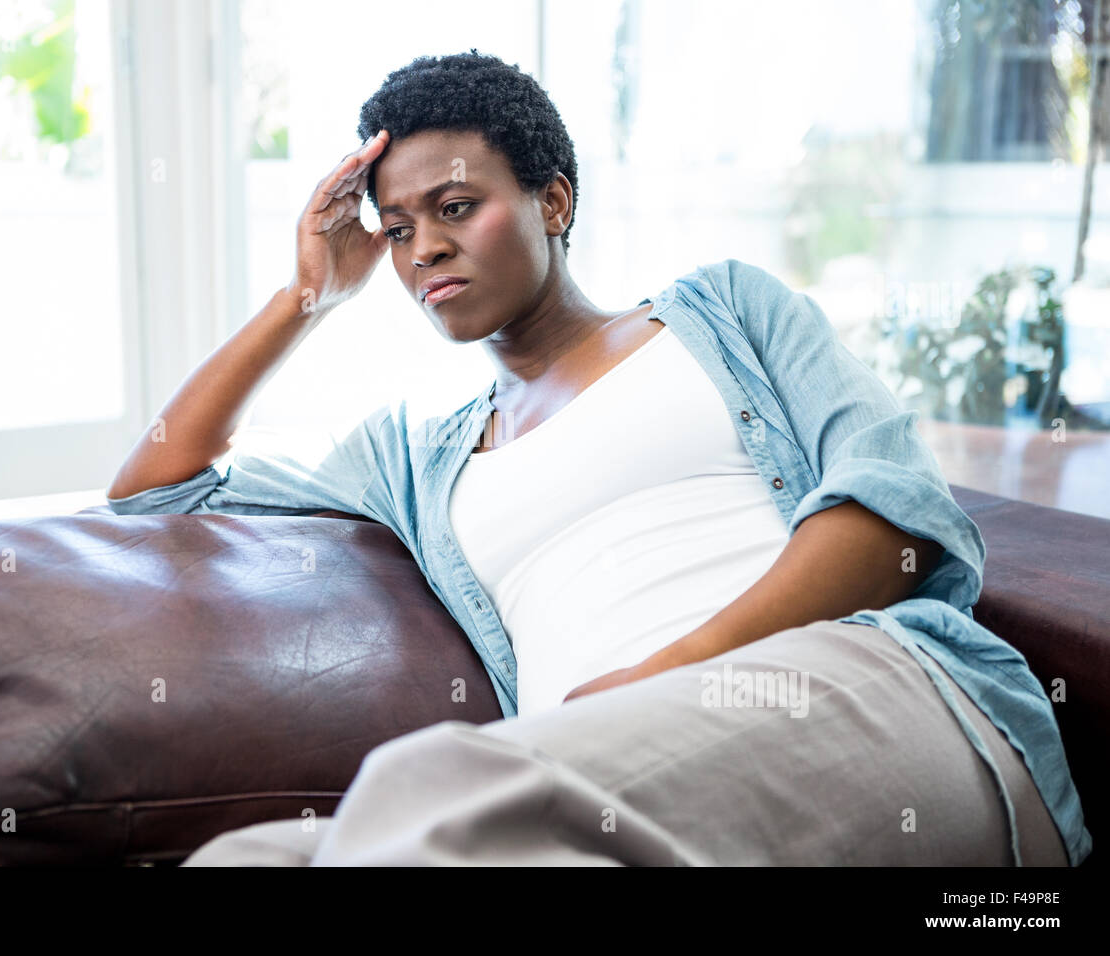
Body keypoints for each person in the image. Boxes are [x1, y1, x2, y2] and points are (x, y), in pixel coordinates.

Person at [106, 51, 1091, 866]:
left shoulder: (727, 310)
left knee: (438, 789)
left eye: (454, 207)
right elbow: (158, 490)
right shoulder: (412, 456)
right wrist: (305, 295)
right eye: (398, 229)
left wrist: (659, 675)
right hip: (590, 787)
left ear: (552, 201)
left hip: (855, 698)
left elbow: (892, 522)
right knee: (245, 859)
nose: (420, 253)